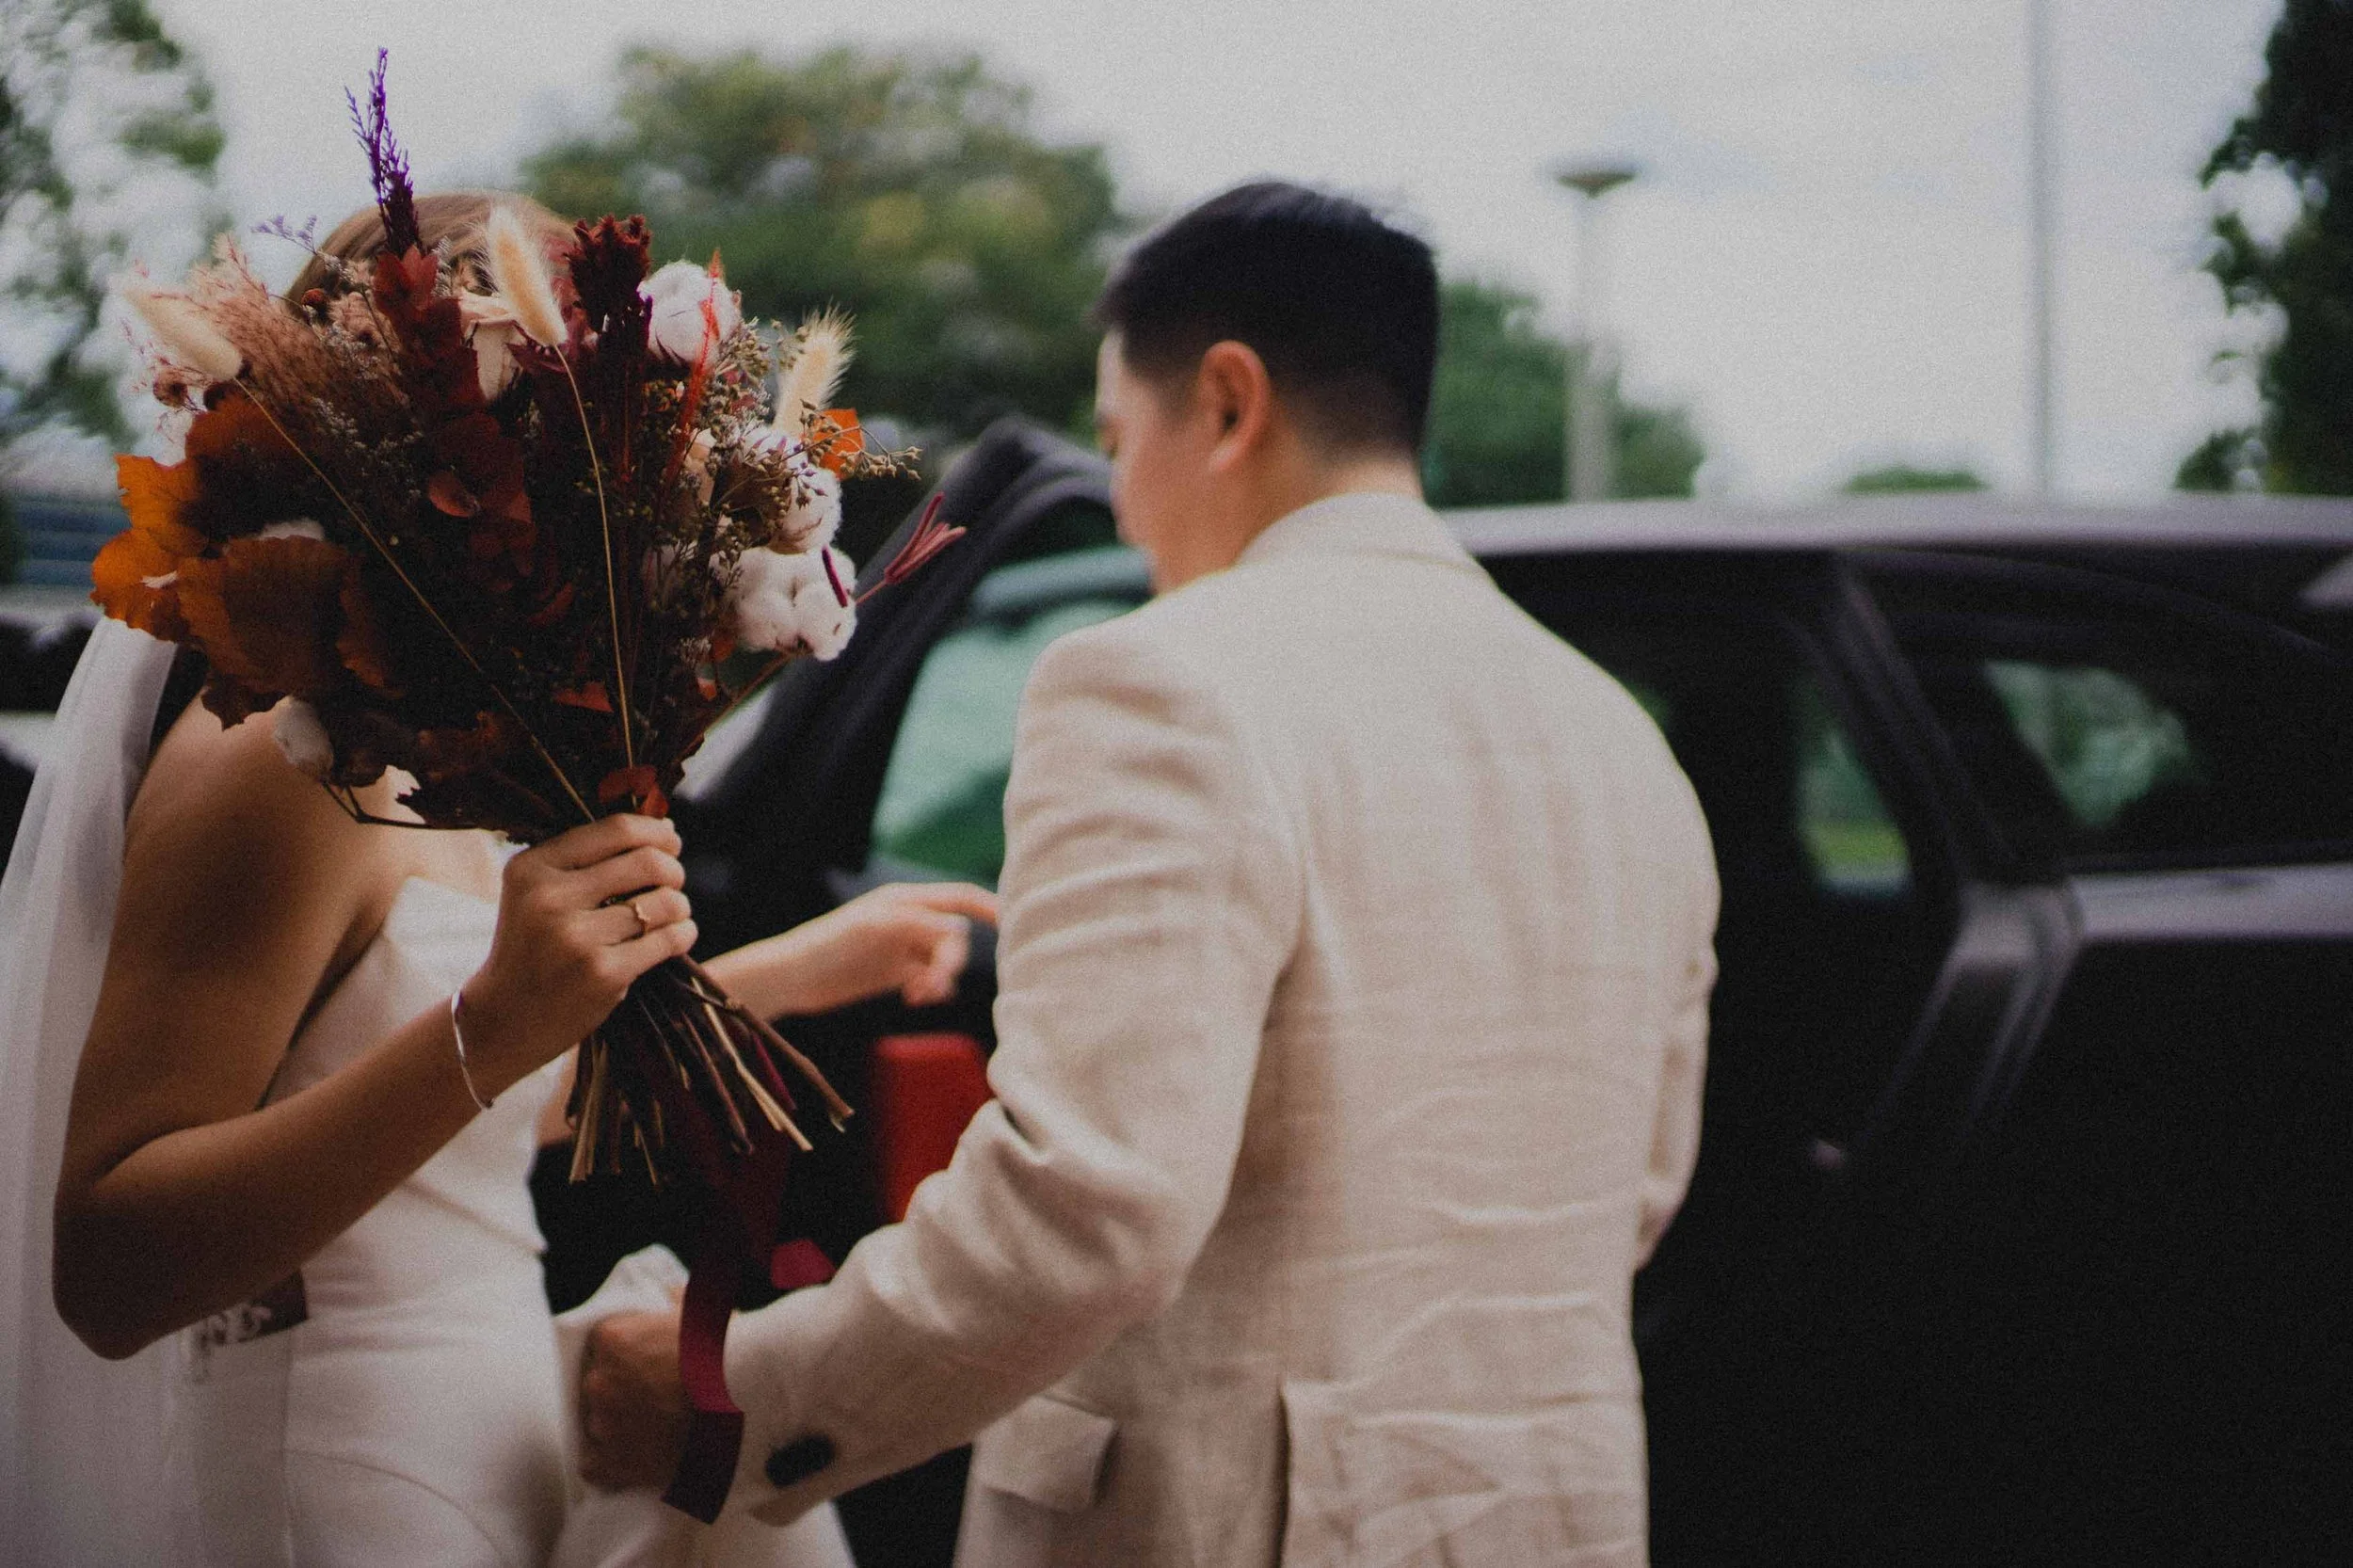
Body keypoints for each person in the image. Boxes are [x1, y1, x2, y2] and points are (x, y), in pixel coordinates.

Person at [582, 182, 1721, 1566]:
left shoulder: (1161, 683)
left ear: (1228, 404)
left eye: (1121, 441)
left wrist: (729, 1402)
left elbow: (1092, 1209)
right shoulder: (1622, 743)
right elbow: (1634, 1191)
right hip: (1554, 1512)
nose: (1123, 503)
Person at [0, 192, 997, 1568]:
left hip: (490, 1433)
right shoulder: (277, 768)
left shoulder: (456, 742)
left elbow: (454, 1103)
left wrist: (796, 969)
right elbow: (109, 1264)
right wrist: (501, 1021)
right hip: (338, 1480)